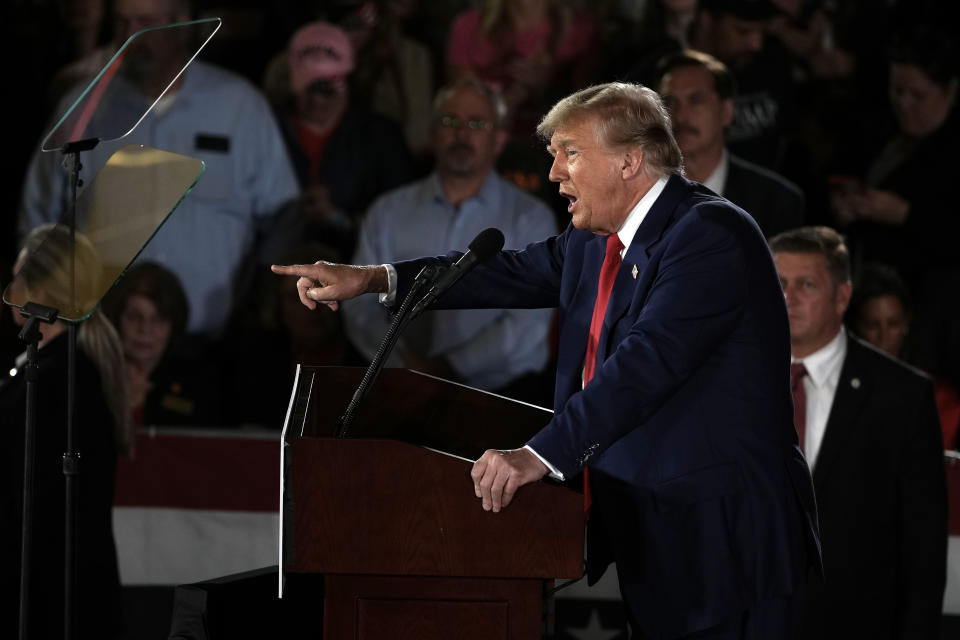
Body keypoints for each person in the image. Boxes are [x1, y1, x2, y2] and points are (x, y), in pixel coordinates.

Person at [273, 82, 821, 639]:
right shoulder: (593, 239)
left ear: (630, 160)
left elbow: (645, 366)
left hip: (726, 542)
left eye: (571, 153)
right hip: (657, 533)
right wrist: (371, 279)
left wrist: (540, 455)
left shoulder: (709, 235)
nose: (555, 172)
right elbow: (498, 270)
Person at [19, 0, 301, 339]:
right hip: (102, 340)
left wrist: (261, 304)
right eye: (121, 22)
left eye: (144, 23)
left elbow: (283, 212)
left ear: (180, 23)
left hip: (216, 341)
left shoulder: (240, 107)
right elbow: (38, 219)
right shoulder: (82, 108)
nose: (128, 35)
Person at [770, 226, 947, 639]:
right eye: (778, 283)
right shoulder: (731, 381)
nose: (788, 297)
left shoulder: (902, 396)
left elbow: (923, 551)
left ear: (842, 297)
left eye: (806, 284)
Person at [342, 79, 556, 397]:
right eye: (449, 121)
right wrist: (404, 364)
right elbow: (360, 304)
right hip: (397, 388)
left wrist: (447, 368)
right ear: (432, 134)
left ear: (499, 140)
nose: (462, 133)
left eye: (476, 123)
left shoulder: (531, 217)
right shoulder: (388, 211)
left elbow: (529, 324)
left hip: (501, 398)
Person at [1, 224, 130, 639]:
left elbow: (26, 495)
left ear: (45, 287)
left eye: (19, 275)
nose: (9, 288)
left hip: (49, 598)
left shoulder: (59, 378)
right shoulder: (64, 366)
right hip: (62, 590)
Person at [264, 20, 417, 259]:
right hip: (277, 275)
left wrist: (338, 219)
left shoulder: (380, 136)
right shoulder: (266, 127)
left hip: (355, 271)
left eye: (328, 90)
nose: (318, 101)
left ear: (348, 81)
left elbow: (400, 219)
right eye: (309, 88)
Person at [657, 49, 805, 237]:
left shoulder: (775, 201)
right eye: (670, 102)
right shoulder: (638, 195)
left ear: (726, 111)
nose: (680, 115)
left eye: (696, 100)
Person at [846, 262, 960, 450]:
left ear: (906, 324)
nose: (884, 337)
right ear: (857, 327)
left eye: (893, 324)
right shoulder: (836, 388)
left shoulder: (939, 399)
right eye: (872, 325)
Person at [101, 261, 222, 427]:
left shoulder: (199, 383)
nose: (144, 330)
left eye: (158, 319)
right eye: (134, 317)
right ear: (115, 319)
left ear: (173, 324)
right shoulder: (89, 376)